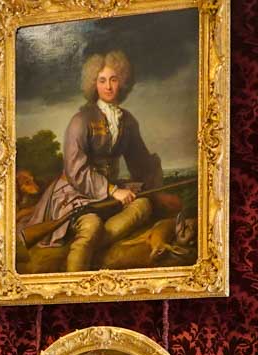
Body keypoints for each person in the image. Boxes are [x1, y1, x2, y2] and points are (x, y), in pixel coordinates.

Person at [26, 50, 164, 270]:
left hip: (109, 193)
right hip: (74, 193)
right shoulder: (81, 120)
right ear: (94, 85)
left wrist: (153, 179)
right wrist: (112, 190)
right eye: (102, 81)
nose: (108, 86)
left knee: (143, 205)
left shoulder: (128, 121)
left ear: (123, 82)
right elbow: (75, 170)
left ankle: (95, 245)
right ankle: (74, 284)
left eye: (113, 79)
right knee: (91, 227)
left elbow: (140, 160)